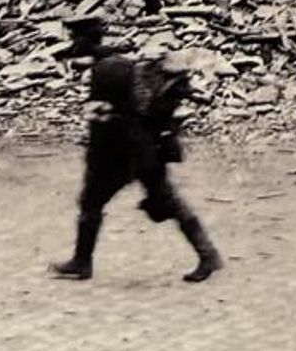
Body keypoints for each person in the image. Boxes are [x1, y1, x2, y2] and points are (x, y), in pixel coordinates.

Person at [48, 17, 222, 284]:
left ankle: (82, 262)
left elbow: (103, 120)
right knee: (168, 200)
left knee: (91, 202)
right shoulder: (121, 63)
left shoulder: (104, 70)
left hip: (122, 153)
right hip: (146, 149)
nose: (72, 44)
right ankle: (207, 254)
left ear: (85, 40)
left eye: (75, 38)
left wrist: (95, 161)